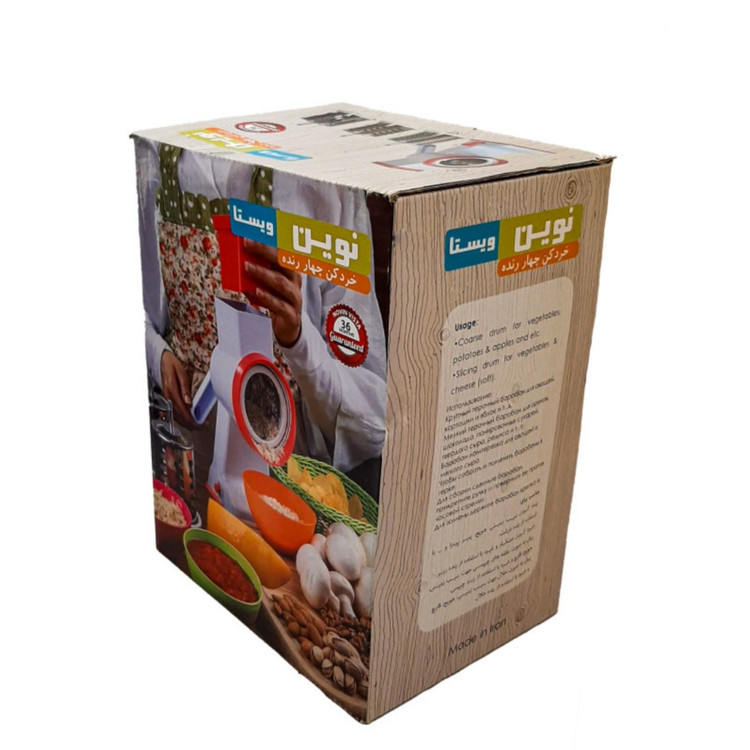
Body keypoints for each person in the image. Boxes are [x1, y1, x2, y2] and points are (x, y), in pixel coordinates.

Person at [135, 138, 387, 491]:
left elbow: (372, 414)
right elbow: (139, 306)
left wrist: (297, 341)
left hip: (291, 467)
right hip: (191, 446)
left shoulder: (323, 178)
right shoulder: (153, 150)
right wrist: (156, 354)